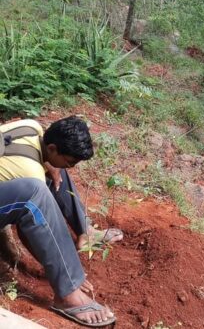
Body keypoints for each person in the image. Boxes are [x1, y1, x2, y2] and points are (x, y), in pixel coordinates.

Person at [0, 116, 120, 326]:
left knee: (57, 167)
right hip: (21, 187)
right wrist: (64, 264)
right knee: (35, 194)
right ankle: (68, 294)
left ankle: (85, 230)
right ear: (52, 146)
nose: (72, 167)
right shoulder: (31, 172)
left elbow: (49, 157)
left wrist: (51, 163)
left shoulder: (32, 127)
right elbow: (29, 233)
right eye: (71, 162)